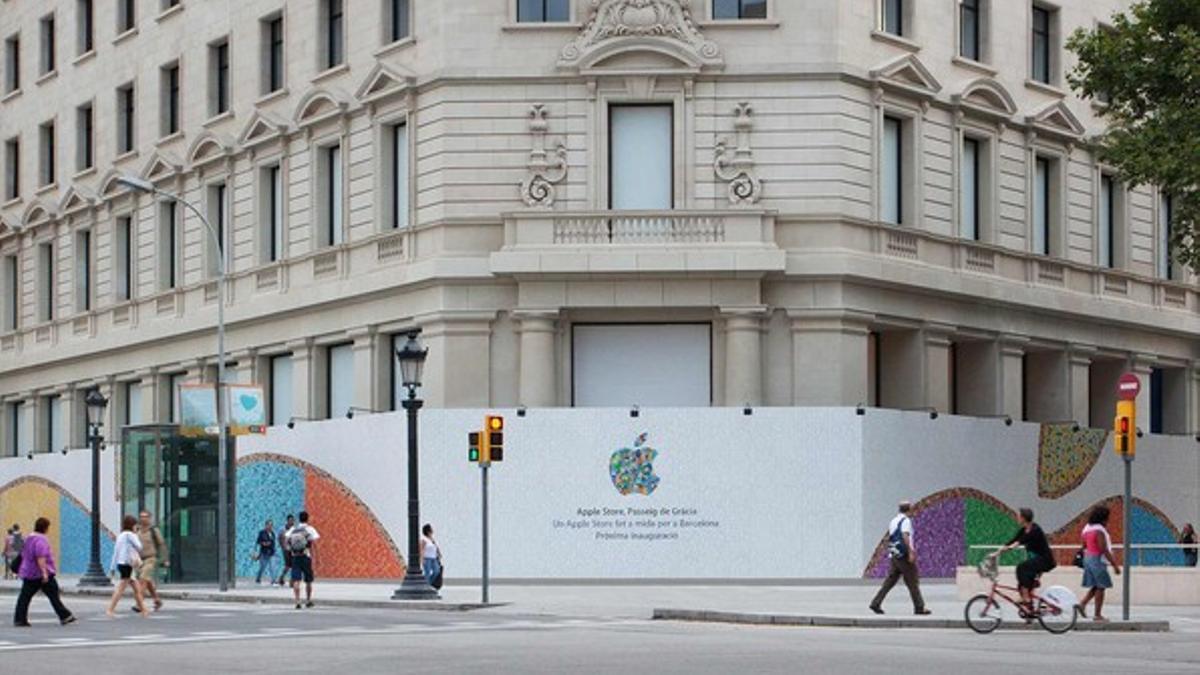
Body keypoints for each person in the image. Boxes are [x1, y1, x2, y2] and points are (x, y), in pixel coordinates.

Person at [990, 508, 1056, 616]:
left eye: (1019, 516)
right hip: (1036, 559)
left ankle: (1026, 599)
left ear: (1024, 518)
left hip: (1045, 560)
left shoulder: (1035, 530)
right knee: (1022, 581)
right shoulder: (1024, 530)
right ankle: (1029, 610)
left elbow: (1017, 543)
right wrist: (998, 552)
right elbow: (1013, 540)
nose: (1017, 518)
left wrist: (1000, 552)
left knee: (1021, 568)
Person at [869, 501, 931, 615]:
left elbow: (890, 537)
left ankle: (875, 603)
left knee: (889, 582)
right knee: (913, 581)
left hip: (895, 555)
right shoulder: (906, 521)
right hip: (904, 555)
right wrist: (911, 552)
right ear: (909, 509)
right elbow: (905, 536)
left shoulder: (893, 520)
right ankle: (919, 607)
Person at [13, 517, 75, 627]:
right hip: (41, 574)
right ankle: (65, 616)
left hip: (29, 572)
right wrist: (45, 573)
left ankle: (19, 619)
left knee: (24, 597)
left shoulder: (29, 538)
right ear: (45, 528)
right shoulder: (41, 540)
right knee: (53, 594)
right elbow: (40, 557)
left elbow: (24, 554)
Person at [1077, 506, 1120, 622]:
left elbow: (1084, 545)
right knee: (1101, 587)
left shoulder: (1087, 529)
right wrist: (1115, 565)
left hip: (1088, 558)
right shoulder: (1099, 531)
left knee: (1096, 585)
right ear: (1103, 518)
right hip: (1097, 560)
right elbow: (1103, 549)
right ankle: (1097, 615)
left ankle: (1082, 604)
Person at [106, 515, 148, 617]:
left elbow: (115, 552)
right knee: (121, 588)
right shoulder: (131, 535)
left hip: (121, 564)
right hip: (128, 564)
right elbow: (139, 546)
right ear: (132, 525)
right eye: (135, 525)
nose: (136, 527)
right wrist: (136, 535)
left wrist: (112, 568)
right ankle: (110, 609)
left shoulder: (120, 536)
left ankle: (144, 610)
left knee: (136, 588)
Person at [284, 511, 319, 609]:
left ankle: (297, 601)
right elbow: (314, 544)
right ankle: (308, 600)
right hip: (306, 556)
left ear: (299, 519)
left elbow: (286, 540)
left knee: (296, 580)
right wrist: (316, 558)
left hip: (295, 556)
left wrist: (289, 551)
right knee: (308, 580)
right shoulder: (310, 529)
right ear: (307, 518)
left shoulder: (293, 529)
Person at [134, 510, 168, 611]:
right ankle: (157, 600)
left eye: (146, 516)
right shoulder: (137, 530)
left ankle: (139, 603)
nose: (143, 518)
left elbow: (162, 545)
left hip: (151, 558)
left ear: (150, 518)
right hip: (140, 560)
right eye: (141, 516)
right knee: (148, 581)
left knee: (143, 579)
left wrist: (165, 558)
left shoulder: (154, 530)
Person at [255, 519, 278, 585]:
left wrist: (274, 549)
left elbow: (273, 543)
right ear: (266, 525)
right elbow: (258, 541)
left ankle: (273, 580)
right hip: (264, 553)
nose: (270, 526)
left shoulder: (273, 533)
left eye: (271, 525)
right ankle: (258, 578)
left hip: (271, 553)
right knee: (262, 567)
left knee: (273, 567)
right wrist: (264, 543)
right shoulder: (262, 533)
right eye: (269, 525)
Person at [420, 523, 442, 588]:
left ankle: (428, 584)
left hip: (434, 558)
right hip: (427, 558)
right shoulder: (424, 540)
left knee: (436, 571)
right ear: (428, 531)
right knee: (427, 573)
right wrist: (422, 559)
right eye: (431, 528)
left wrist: (439, 553)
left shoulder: (432, 539)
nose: (432, 530)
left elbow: (436, 547)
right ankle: (426, 586)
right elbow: (422, 549)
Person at [277, 514, 295, 586]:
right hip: (286, 550)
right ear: (287, 521)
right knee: (287, 566)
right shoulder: (282, 529)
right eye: (291, 520)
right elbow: (279, 538)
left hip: (294, 550)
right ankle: (281, 578)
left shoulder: (294, 529)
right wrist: (282, 547)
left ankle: (292, 581)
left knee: (294, 565)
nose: (292, 522)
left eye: (293, 520)